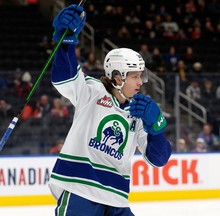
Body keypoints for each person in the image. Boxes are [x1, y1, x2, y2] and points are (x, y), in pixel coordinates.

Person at [48, 5, 171, 216]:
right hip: (80, 189)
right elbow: (64, 78)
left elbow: (158, 160)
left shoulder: (139, 112)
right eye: (134, 76)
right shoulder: (91, 91)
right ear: (117, 77)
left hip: (117, 199)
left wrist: (156, 129)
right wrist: (66, 41)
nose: (140, 82)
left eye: (141, 76)